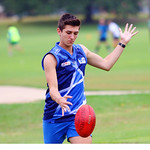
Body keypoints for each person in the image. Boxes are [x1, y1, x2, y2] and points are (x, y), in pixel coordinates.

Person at [41, 13, 138, 144]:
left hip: (78, 117)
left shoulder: (81, 50)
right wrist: (59, 99)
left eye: (75, 33)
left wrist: (122, 43)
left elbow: (106, 64)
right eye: (68, 32)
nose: (72, 37)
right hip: (55, 116)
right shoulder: (51, 58)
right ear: (59, 31)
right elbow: (52, 89)